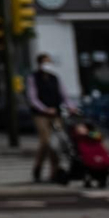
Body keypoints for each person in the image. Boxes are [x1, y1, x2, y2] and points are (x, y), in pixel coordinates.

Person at [27, 52, 72, 183]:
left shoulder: (55, 78)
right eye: (45, 61)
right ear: (39, 63)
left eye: (49, 61)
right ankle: (38, 167)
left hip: (56, 114)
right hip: (41, 115)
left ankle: (54, 171)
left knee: (56, 143)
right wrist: (44, 108)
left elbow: (64, 95)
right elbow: (32, 97)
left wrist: (71, 106)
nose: (48, 64)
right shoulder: (33, 78)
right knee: (46, 141)